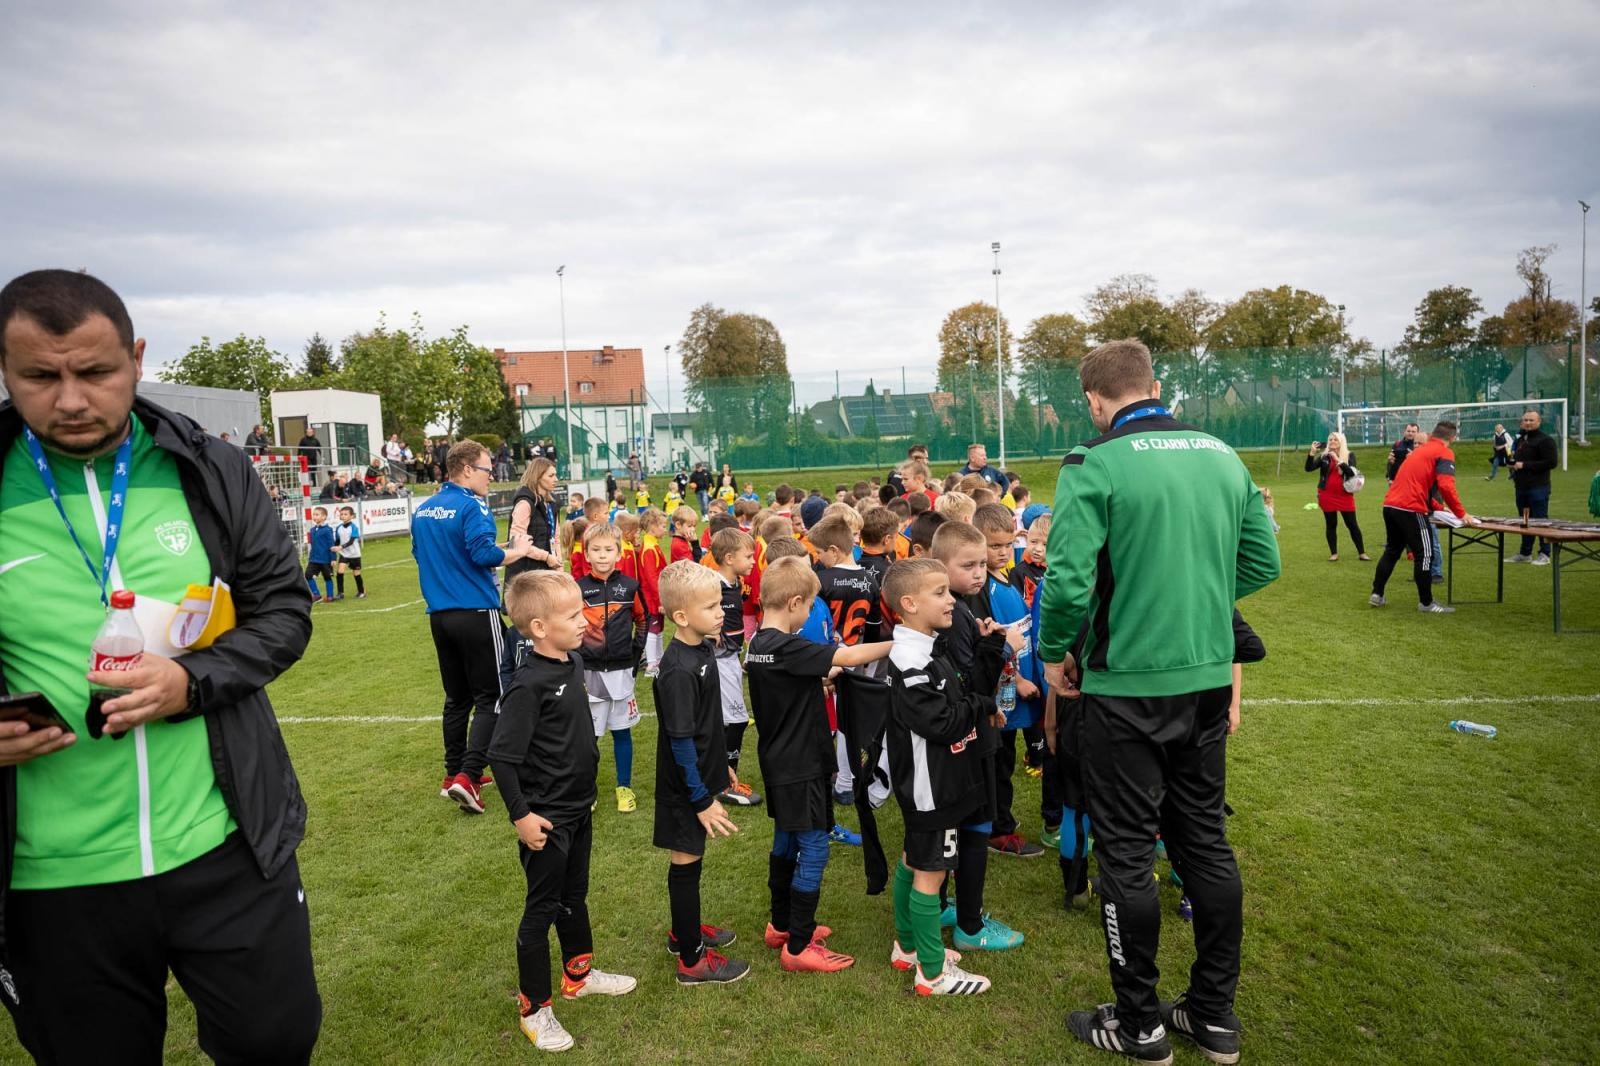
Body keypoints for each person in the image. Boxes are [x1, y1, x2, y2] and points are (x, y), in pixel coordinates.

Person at [0, 268, 320, 1062]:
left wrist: (191, 681)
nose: (70, 399)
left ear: (137, 358)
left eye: (95, 372)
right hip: (55, 880)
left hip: (224, 843)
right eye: (40, 377)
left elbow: (284, 608)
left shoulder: (208, 467)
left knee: (276, 1042)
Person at [1037, 339, 1280, 1064]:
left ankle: (1140, 1022)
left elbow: (1070, 581)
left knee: (1127, 856)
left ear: (1093, 399)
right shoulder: (1219, 452)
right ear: (1156, 385)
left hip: (1124, 688)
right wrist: (1191, 595)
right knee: (1204, 842)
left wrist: (1054, 655)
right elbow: (1263, 560)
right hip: (1205, 679)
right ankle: (1212, 1015)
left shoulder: (1092, 461)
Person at [489, 571, 637, 1052]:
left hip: (580, 809)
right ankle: (535, 1008)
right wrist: (521, 815)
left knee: (575, 896)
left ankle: (579, 975)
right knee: (542, 910)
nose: (584, 620)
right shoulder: (527, 686)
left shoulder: (572, 662)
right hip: (546, 820)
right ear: (537, 627)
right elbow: (502, 757)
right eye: (572, 615)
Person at [746, 556, 891, 972]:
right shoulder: (788, 645)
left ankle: (781, 925)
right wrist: (904, 643)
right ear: (794, 602)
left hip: (778, 762)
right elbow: (845, 657)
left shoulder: (760, 645)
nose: (811, 614)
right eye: (810, 606)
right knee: (812, 845)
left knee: (786, 841)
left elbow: (792, 681)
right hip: (803, 763)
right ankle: (800, 944)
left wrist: (819, 681)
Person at [882, 558, 1005, 996]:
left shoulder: (925, 647)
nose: (951, 599)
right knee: (930, 872)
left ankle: (908, 947)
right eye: (940, 593)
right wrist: (982, 707)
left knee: (914, 861)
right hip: (932, 787)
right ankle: (932, 974)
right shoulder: (912, 661)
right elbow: (941, 723)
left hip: (929, 784)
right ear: (909, 603)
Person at [412, 439, 534, 813]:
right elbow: (484, 555)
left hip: (440, 616)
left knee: (457, 698)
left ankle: (453, 774)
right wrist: (519, 549)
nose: (491, 475)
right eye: (486, 469)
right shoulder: (471, 505)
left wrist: (505, 546)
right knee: (492, 696)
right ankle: (468, 776)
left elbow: (426, 553)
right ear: (466, 470)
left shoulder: (424, 508)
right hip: (476, 614)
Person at [928, 522, 1029, 953]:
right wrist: (1005, 647)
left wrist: (986, 637)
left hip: (966, 733)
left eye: (982, 565)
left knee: (963, 826)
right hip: (968, 738)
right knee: (974, 827)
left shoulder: (961, 608)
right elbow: (972, 683)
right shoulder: (951, 617)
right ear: (939, 566)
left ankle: (948, 905)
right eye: (967, 565)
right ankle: (970, 925)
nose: (978, 574)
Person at [652, 560, 749, 984]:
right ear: (680, 617)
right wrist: (700, 799)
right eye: (711, 607)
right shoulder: (677, 670)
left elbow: (705, 726)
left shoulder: (703, 647)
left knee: (692, 862)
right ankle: (691, 959)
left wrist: (722, 769)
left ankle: (684, 931)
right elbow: (680, 741)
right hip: (683, 789)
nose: (721, 612)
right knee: (686, 863)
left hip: (702, 778)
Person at [971, 503, 1045, 859]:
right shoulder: (982, 589)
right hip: (1002, 696)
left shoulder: (1008, 578)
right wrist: (1016, 679)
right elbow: (989, 646)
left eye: (1006, 544)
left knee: (1006, 759)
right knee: (998, 764)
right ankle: (998, 830)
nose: (1001, 552)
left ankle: (999, 816)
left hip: (1018, 693)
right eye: (993, 545)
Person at [574, 524, 647, 814]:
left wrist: (634, 657)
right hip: (589, 673)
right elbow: (570, 627)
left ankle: (624, 787)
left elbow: (643, 621)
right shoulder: (578, 588)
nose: (602, 555)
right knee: (589, 736)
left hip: (620, 673)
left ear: (619, 553)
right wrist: (576, 663)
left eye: (608, 549)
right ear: (586, 554)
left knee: (621, 732)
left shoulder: (629, 587)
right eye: (596, 550)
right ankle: (586, 790)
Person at [1370, 421, 1476, 612]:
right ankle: (1426, 603)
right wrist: (1462, 514)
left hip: (1390, 505)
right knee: (1425, 554)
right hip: (1410, 509)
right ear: (1452, 438)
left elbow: (1419, 487)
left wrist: (1440, 508)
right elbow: (1445, 486)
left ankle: (1377, 594)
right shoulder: (1444, 452)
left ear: (1433, 434)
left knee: (1392, 550)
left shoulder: (1418, 451)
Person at [709, 527, 761, 807]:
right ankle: (726, 783)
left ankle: (721, 776)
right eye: (748, 556)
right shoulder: (712, 585)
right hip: (719, 661)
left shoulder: (734, 583)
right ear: (729, 558)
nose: (753, 561)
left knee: (724, 719)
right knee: (737, 720)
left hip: (729, 658)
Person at [1305, 432, 1369, 562]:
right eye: (1330, 439)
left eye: (1335, 439)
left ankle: (1362, 553)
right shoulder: (1324, 456)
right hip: (1326, 495)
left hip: (1344, 495)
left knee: (1352, 524)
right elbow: (1309, 468)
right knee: (1331, 524)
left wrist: (1338, 460)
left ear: (1341, 442)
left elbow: (1351, 473)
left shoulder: (1349, 455)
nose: (1332, 441)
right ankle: (1334, 553)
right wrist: (1311, 453)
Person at [1509, 409, 1558, 564]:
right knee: (1525, 520)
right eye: (1526, 420)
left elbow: (1551, 463)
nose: (1528, 423)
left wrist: (1524, 465)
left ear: (1539, 422)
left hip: (1538, 487)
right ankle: (1525, 553)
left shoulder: (1545, 440)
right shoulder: (1521, 439)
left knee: (1540, 519)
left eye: (1531, 420)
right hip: (1521, 487)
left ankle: (1545, 553)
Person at [305, 506, 337, 602]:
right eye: (314, 515)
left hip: (325, 559)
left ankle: (330, 596)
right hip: (314, 559)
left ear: (324, 517)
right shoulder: (312, 530)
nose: (314, 517)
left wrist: (333, 558)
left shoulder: (327, 530)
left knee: (327, 577)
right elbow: (313, 545)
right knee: (307, 575)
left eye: (317, 515)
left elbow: (332, 545)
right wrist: (310, 557)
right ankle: (316, 595)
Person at [335, 505, 365, 600]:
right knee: (340, 572)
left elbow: (351, 541)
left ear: (351, 516)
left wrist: (341, 547)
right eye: (341, 514)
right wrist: (334, 547)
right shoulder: (338, 527)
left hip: (354, 554)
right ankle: (340, 593)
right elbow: (337, 540)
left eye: (345, 514)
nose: (343, 516)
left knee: (356, 573)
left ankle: (361, 591)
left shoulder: (354, 527)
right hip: (344, 554)